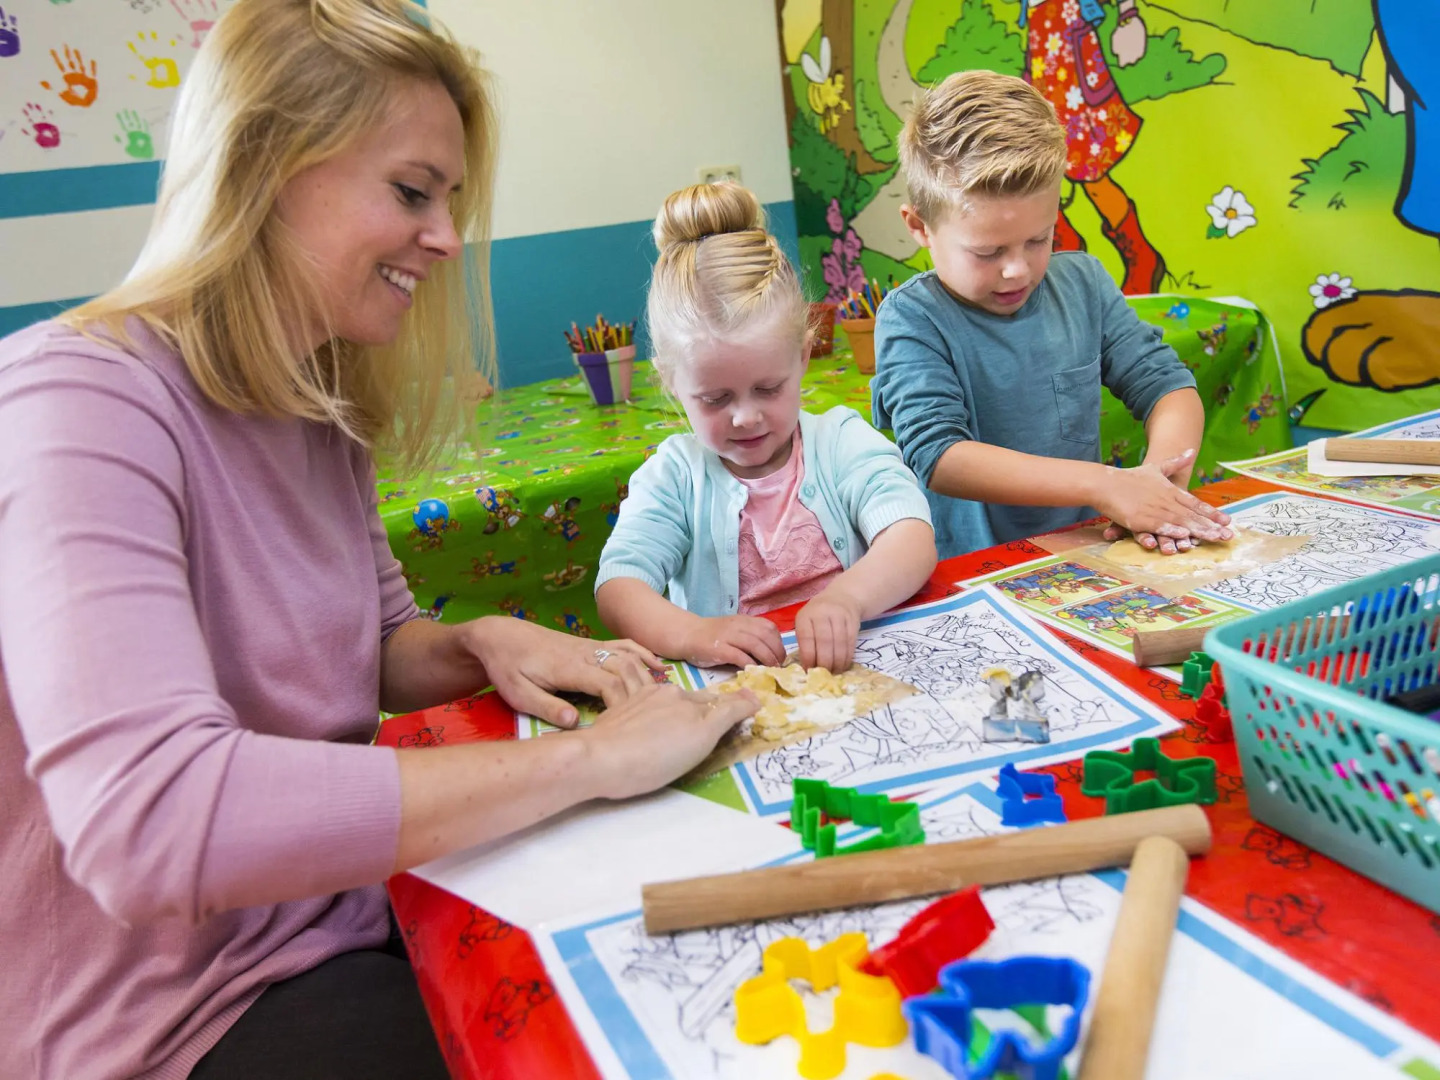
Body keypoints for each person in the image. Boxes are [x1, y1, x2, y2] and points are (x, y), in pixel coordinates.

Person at [0, 3, 756, 1078]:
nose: (445, 237)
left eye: (449, 202)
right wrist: (589, 761)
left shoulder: (316, 404)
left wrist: (479, 638)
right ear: (264, 166)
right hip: (167, 1017)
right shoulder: (75, 399)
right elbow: (151, 822)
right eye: (411, 192)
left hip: (331, 917)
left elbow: (375, 646)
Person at [871, 70, 1232, 561]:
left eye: (1039, 239)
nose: (1017, 269)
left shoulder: (1083, 283)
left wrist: (1160, 484)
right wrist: (1106, 485)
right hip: (971, 569)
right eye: (987, 252)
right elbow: (938, 455)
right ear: (919, 227)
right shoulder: (913, 318)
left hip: (1086, 554)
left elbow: (1167, 386)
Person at [596, 183, 937, 675]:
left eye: (768, 388)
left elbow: (911, 536)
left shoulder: (841, 441)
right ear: (671, 381)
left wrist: (848, 598)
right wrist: (694, 634)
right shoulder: (675, 477)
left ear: (802, 357)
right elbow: (619, 590)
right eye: (716, 399)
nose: (746, 417)